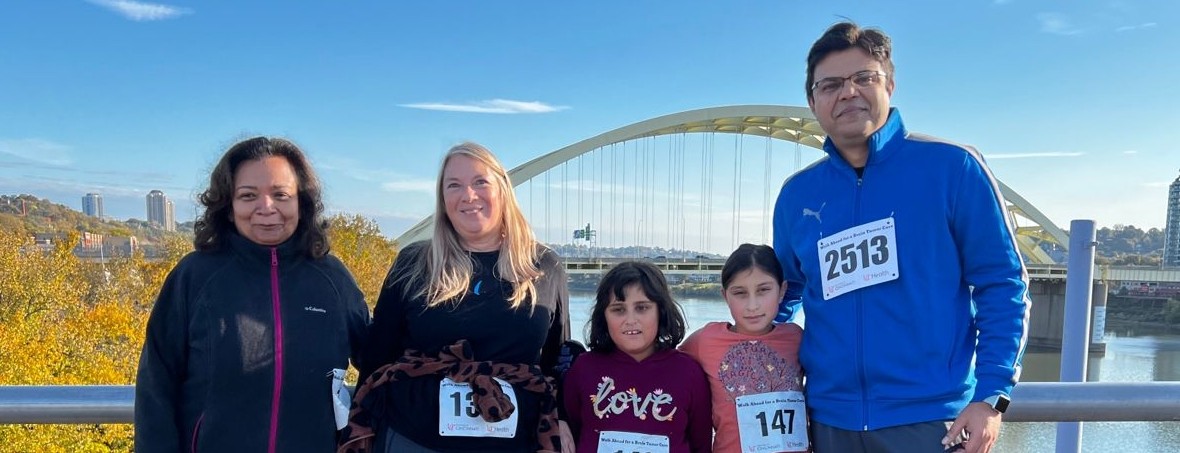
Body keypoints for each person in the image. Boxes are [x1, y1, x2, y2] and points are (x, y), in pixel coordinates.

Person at [772, 22, 1031, 453]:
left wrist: (991, 397)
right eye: (831, 84)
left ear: (890, 83)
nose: (848, 92)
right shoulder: (797, 194)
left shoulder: (953, 169)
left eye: (864, 78)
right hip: (826, 421)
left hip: (932, 421)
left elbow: (1003, 285)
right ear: (813, 101)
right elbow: (782, 294)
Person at [135, 136, 371, 452]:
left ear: (301, 203)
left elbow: (378, 361)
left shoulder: (332, 279)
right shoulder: (195, 277)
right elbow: (156, 385)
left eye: (281, 194)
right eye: (248, 196)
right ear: (228, 207)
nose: (266, 208)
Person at [340, 142, 571, 453]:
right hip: (414, 438)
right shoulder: (414, 263)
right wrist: (360, 430)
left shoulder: (544, 265)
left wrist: (565, 418)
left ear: (502, 190)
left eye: (480, 182)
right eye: (454, 185)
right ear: (443, 198)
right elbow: (379, 355)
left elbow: (558, 358)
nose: (468, 195)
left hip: (516, 440)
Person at [562, 261, 713, 453]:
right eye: (618, 309)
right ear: (604, 316)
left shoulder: (688, 372)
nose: (631, 320)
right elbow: (573, 431)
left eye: (642, 308)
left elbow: (701, 445)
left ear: (661, 311)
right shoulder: (584, 368)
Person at [681, 244, 807, 453]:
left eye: (763, 290)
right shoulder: (704, 341)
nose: (752, 305)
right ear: (725, 296)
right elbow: (666, 366)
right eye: (740, 293)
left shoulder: (796, 338)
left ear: (782, 290)